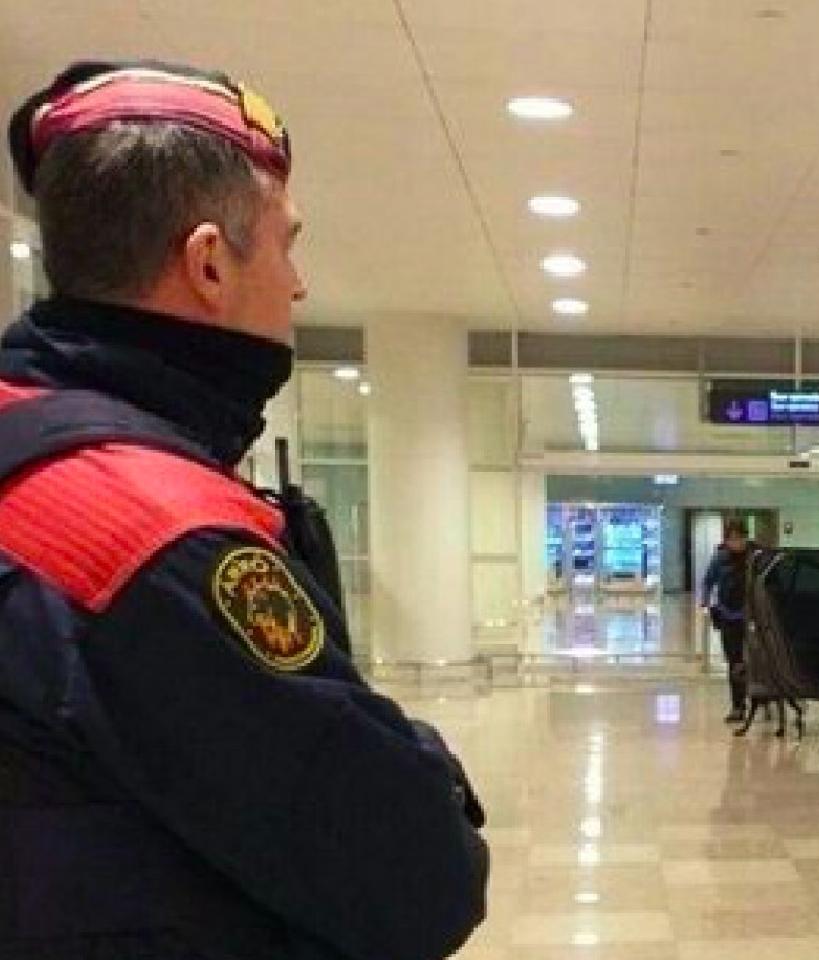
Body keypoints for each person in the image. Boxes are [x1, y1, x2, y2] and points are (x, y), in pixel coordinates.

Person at [0, 61, 487, 959]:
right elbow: (417, 876)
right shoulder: (151, 538)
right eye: (288, 245)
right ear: (210, 263)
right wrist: (425, 767)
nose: (298, 287)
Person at [701, 518, 755, 722]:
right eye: (731, 538)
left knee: (753, 661)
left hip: (751, 619)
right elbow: (708, 581)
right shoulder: (720, 558)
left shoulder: (754, 557)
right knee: (734, 662)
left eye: (739, 538)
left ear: (745, 537)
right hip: (728, 616)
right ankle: (738, 706)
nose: (736, 542)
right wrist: (705, 602)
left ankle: (761, 698)